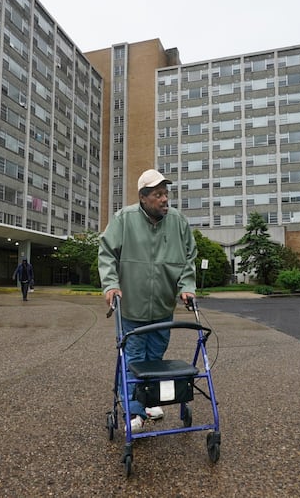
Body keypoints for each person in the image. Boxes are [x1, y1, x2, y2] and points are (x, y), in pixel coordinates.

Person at [98, 168, 197, 432]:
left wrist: (187, 286)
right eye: (158, 194)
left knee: (154, 358)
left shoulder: (178, 221)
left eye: (166, 194)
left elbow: (190, 257)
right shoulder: (124, 219)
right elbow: (106, 252)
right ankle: (134, 411)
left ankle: (148, 400)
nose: (165, 199)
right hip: (131, 307)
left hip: (163, 307)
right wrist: (110, 284)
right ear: (143, 198)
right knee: (133, 359)